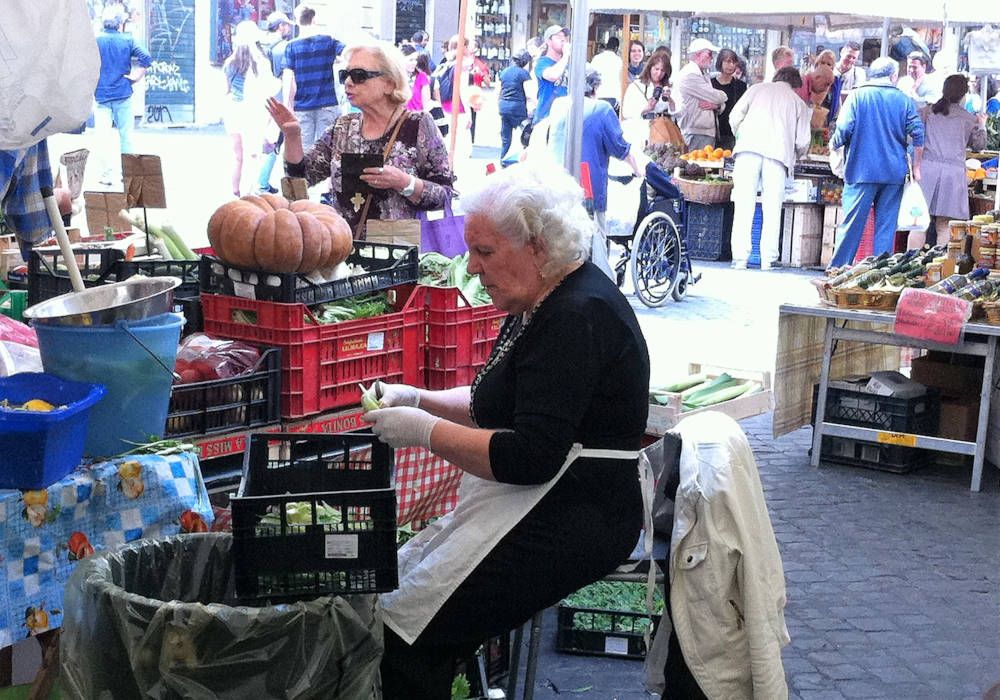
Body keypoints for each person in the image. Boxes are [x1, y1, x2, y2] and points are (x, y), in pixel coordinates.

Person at [365, 161, 649, 700]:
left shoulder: (575, 316)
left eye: (485, 253)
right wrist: (416, 397)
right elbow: (490, 405)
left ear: (537, 247)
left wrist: (424, 431)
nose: (472, 268)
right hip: (538, 500)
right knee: (401, 610)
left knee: (409, 637)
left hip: (576, 516)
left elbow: (529, 456)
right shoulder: (537, 300)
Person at [267, 41, 455, 236]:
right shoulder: (343, 127)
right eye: (344, 75)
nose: (348, 82)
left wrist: (404, 182)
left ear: (389, 84)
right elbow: (299, 180)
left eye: (359, 75)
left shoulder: (418, 124)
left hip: (395, 253)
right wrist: (292, 136)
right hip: (342, 246)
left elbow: (445, 195)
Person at [545, 66, 642, 278]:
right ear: (596, 86)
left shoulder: (559, 105)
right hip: (587, 186)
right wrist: (638, 170)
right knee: (593, 236)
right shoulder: (602, 109)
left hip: (554, 182)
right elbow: (620, 148)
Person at [829, 57, 924, 267]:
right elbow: (918, 133)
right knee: (886, 228)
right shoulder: (904, 100)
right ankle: (879, 273)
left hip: (861, 171)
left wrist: (833, 144)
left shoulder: (857, 96)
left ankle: (837, 270)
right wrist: (916, 166)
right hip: (893, 174)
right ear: (893, 76)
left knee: (852, 225)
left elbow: (843, 130)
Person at [728, 67, 811, 271]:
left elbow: (734, 116)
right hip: (778, 155)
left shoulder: (756, 89)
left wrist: (741, 135)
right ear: (795, 85)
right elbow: (802, 141)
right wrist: (797, 154)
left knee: (743, 204)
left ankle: (739, 258)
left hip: (747, 150)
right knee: (772, 207)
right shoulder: (798, 103)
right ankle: (768, 260)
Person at [918, 74, 988, 245]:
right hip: (953, 175)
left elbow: (913, 137)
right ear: (964, 94)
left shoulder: (927, 112)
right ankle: (941, 268)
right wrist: (982, 124)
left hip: (926, 171)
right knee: (944, 226)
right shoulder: (969, 119)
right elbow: (979, 146)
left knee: (919, 223)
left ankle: (911, 261)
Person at [93, 5, 152, 186]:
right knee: (126, 136)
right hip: (123, 94)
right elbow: (146, 58)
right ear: (120, 22)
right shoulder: (128, 40)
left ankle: (106, 175)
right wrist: (135, 78)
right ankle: (128, 174)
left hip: (101, 95)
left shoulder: (95, 40)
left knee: (103, 138)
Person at [223, 21, 279, 198]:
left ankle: (234, 192)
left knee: (236, 156)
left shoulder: (230, 62)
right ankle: (250, 194)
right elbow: (269, 89)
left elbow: (226, 89)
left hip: (232, 110)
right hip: (252, 111)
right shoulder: (260, 62)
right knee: (254, 155)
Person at [283, 5, 345, 148]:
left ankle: (307, 172)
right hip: (327, 103)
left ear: (297, 21)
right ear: (314, 19)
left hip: (302, 106)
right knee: (326, 149)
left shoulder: (291, 46)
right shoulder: (328, 41)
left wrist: (288, 105)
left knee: (304, 149)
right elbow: (348, 53)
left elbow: (288, 78)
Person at [256, 10, 297, 195]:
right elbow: (287, 78)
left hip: (263, 98)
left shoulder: (261, 45)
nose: (288, 28)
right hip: (278, 99)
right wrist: (289, 106)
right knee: (279, 142)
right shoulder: (285, 47)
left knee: (271, 142)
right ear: (281, 26)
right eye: (286, 24)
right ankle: (262, 183)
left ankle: (263, 182)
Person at [675, 38, 728, 151]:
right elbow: (717, 96)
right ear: (698, 54)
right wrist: (722, 97)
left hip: (701, 131)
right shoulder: (690, 75)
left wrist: (717, 105)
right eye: (709, 54)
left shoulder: (701, 73)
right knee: (697, 166)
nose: (711, 58)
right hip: (696, 132)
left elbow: (717, 102)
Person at [497, 49, 532, 160]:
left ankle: (503, 160)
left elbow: (499, 90)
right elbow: (528, 93)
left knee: (506, 139)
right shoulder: (523, 73)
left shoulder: (504, 72)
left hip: (503, 107)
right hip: (517, 108)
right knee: (527, 133)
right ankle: (525, 159)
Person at [712, 48, 747, 151]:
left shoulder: (740, 86)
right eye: (728, 61)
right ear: (720, 62)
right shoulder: (711, 84)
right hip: (713, 130)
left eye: (733, 62)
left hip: (732, 132)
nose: (731, 65)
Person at [534, 25, 570, 123]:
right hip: (546, 118)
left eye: (564, 38)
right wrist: (566, 55)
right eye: (558, 37)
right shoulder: (542, 63)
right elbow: (553, 76)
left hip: (564, 117)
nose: (563, 40)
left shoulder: (567, 64)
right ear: (549, 42)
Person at [830, 41, 866, 109]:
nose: (850, 60)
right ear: (841, 53)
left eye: (854, 58)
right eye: (848, 56)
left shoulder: (859, 73)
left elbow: (859, 96)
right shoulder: (830, 70)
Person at [591, 37, 624, 110]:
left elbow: (591, 78)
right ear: (616, 48)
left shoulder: (596, 58)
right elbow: (621, 80)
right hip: (613, 96)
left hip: (598, 95)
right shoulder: (619, 61)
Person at [400, 44, 432, 112]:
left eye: (415, 60)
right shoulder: (395, 78)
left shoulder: (422, 77)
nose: (414, 63)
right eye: (410, 60)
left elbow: (426, 105)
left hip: (417, 118)